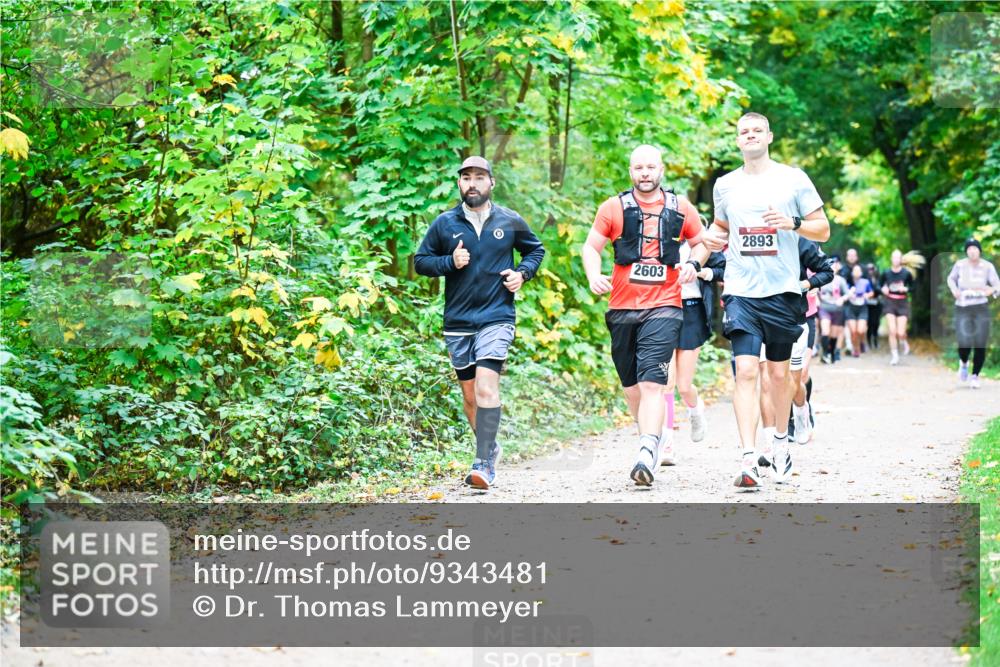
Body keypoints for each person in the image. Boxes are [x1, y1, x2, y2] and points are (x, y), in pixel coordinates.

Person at [701, 112, 830, 490]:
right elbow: (720, 227)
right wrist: (706, 245)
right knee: (745, 372)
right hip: (741, 292)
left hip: (783, 291)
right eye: (744, 131)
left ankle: (779, 444)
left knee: (778, 376)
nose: (751, 135)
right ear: (738, 141)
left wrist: (792, 223)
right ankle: (747, 458)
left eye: (757, 130)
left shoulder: (793, 179)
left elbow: (822, 228)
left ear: (769, 136)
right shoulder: (725, 185)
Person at [414, 156, 545, 490]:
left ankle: (483, 461)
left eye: (479, 177)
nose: (472, 183)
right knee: (470, 397)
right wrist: (450, 261)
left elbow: (535, 250)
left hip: (496, 316)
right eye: (466, 178)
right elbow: (421, 262)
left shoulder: (510, 220)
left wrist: (522, 274)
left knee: (487, 386)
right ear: (459, 184)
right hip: (457, 320)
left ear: (491, 183)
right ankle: (490, 447)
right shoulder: (445, 224)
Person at [581, 144, 708, 486]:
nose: (645, 173)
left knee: (653, 382)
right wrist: (594, 275)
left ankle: (647, 452)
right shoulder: (612, 208)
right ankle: (649, 437)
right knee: (632, 387)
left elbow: (701, 241)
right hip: (621, 307)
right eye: (639, 168)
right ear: (631, 171)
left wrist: (694, 264)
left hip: (665, 306)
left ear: (661, 169)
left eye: (651, 167)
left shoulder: (681, 207)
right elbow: (591, 246)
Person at [758, 238, 834, 465]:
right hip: (760, 315)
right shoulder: (754, 238)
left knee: (794, 379)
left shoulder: (800, 241)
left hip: (799, 317)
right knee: (766, 380)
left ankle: (801, 410)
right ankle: (771, 444)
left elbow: (825, 271)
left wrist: (806, 285)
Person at [659, 243, 726, 465]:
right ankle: (666, 445)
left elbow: (724, 269)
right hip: (663, 309)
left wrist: (704, 272)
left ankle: (695, 411)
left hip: (692, 310)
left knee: (684, 386)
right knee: (665, 384)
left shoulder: (698, 242)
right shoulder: (656, 236)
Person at [947, 238, 999, 388]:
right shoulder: (960, 265)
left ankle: (975, 375)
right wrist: (954, 290)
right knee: (964, 341)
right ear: (966, 251)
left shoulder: (987, 267)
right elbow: (950, 278)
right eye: (969, 248)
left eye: (975, 248)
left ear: (979, 250)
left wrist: (992, 290)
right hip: (963, 307)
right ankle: (963, 362)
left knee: (980, 343)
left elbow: (997, 285)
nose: (972, 251)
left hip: (980, 307)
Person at [880, 249, 914, 366]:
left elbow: (913, 287)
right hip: (890, 302)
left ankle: (903, 340)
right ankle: (894, 355)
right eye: (894, 257)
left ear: (901, 259)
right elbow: (879, 285)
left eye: (898, 257)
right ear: (891, 259)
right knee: (892, 330)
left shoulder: (906, 273)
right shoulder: (886, 272)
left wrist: (906, 289)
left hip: (902, 302)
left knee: (900, 332)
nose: (895, 260)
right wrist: (883, 289)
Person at [818, 257, 849, 364]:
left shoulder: (841, 280)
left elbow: (847, 293)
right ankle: (825, 354)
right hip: (824, 308)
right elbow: (815, 289)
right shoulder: (821, 277)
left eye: (834, 265)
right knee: (825, 331)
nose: (832, 267)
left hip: (837, 309)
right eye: (830, 265)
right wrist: (817, 300)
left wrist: (842, 299)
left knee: (834, 334)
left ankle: (832, 353)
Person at [844, 264, 874, 358]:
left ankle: (861, 342)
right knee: (853, 331)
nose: (856, 272)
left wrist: (867, 295)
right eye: (855, 270)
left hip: (862, 308)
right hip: (851, 308)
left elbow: (871, 292)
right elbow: (843, 293)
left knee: (860, 331)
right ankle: (856, 349)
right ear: (852, 273)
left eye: (858, 270)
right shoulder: (848, 283)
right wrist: (849, 295)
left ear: (861, 273)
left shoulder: (865, 282)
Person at [865, 263, 882, 350]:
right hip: (868, 305)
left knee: (876, 323)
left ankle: (875, 340)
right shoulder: (865, 279)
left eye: (872, 269)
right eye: (869, 269)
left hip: (877, 304)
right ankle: (869, 342)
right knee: (869, 324)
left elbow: (880, 290)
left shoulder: (879, 279)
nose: (871, 271)